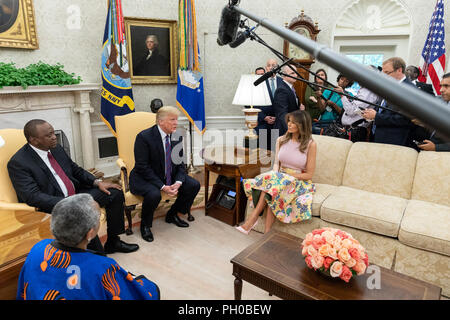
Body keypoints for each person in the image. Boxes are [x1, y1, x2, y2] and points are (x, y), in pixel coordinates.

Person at [7, 119, 138, 255]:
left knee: (114, 193)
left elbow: (75, 170)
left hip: (77, 194)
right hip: (54, 204)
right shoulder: (19, 163)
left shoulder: (56, 148)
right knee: (83, 215)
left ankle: (113, 242)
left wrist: (97, 182)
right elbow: (32, 196)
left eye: (53, 133)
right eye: (49, 135)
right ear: (34, 140)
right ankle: (97, 255)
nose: (54, 137)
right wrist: (71, 203)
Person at [16, 194, 160, 300]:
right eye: (99, 218)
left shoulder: (38, 248)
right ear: (90, 233)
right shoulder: (102, 267)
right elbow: (134, 295)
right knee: (151, 287)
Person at [237, 110, 316, 234]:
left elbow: (309, 174)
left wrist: (287, 176)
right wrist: (276, 174)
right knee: (273, 190)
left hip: (298, 180)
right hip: (279, 178)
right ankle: (267, 234)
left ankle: (252, 220)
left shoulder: (311, 144)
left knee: (272, 187)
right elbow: (276, 163)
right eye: (289, 121)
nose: (289, 124)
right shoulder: (281, 140)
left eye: (293, 122)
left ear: (302, 125)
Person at [129, 106, 201, 242]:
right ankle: (145, 225)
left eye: (176, 119)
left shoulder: (177, 136)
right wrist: (162, 186)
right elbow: (142, 167)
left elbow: (180, 164)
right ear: (160, 122)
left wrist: (179, 182)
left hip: (169, 174)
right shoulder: (144, 137)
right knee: (154, 194)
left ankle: (172, 214)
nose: (176, 123)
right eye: (172, 119)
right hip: (145, 177)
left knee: (193, 185)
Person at [362, 57, 415, 147]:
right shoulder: (388, 86)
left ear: (399, 70)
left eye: (387, 73)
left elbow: (405, 119)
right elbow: (382, 109)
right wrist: (371, 115)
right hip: (378, 136)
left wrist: (376, 116)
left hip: (394, 141)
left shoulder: (410, 90)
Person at [334, 66, 380, 142]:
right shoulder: (365, 90)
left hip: (355, 132)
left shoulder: (368, 92)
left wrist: (342, 95)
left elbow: (351, 111)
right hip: (351, 131)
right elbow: (357, 110)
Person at [415, 73, 450, 152]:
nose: (441, 90)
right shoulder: (441, 102)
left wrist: (436, 147)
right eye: (441, 86)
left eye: (446, 86)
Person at [255, 59, 284, 150]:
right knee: (263, 152)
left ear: (278, 67)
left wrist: (279, 117)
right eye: (269, 65)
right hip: (263, 123)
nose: (271, 67)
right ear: (266, 68)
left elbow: (285, 102)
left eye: (274, 65)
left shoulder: (282, 81)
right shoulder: (259, 82)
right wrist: (264, 117)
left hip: (279, 123)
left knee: (276, 150)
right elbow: (253, 103)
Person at [272, 65, 302, 137]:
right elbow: (282, 114)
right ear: (284, 75)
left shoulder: (290, 88)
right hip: (284, 131)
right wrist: (291, 132)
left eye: (296, 73)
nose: (295, 75)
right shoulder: (282, 90)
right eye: (292, 73)